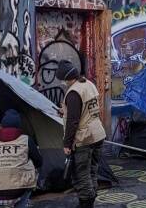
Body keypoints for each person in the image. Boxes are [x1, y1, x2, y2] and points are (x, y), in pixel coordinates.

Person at [56, 60, 106, 208]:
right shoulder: (88, 84)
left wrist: (67, 143)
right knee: (92, 172)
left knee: (81, 175)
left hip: (84, 137)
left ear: (66, 77)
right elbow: (86, 110)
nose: (63, 82)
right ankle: (89, 201)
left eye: (62, 79)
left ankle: (86, 203)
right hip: (97, 133)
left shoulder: (73, 92)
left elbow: (73, 121)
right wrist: (66, 112)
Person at [0, 109, 43, 208]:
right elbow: (39, 162)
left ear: (0, 127)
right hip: (17, 192)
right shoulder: (26, 140)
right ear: (19, 128)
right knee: (31, 166)